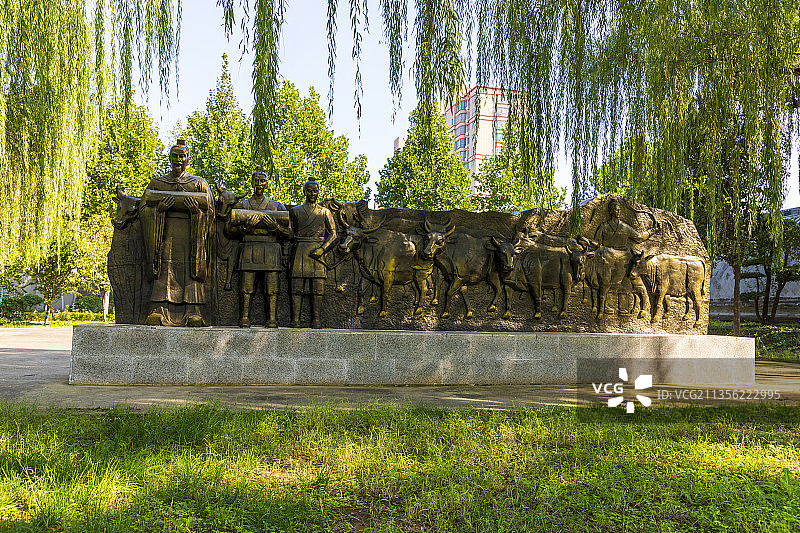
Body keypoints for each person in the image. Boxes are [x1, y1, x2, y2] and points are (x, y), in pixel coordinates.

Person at [139, 139, 214, 326]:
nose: (178, 160)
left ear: (188, 159)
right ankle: (159, 308)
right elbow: (143, 209)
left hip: (191, 233)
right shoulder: (158, 183)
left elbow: (211, 212)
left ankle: (193, 310)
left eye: (182, 156)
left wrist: (197, 212)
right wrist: (158, 210)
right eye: (174, 156)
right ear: (169, 158)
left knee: (191, 267)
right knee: (165, 267)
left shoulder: (198, 184)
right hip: (164, 232)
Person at [229, 169, 289, 327]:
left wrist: (275, 227)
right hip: (249, 246)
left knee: (272, 287)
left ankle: (272, 319)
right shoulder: (242, 205)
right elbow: (228, 230)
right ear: (252, 182)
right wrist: (245, 228)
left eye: (262, 181)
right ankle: (244, 317)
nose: (259, 184)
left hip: (271, 249)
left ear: (267, 183)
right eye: (256, 180)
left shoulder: (277, 207)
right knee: (246, 286)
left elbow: (289, 233)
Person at [289, 179, 337, 328]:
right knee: (296, 288)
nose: (312, 193)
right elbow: (289, 233)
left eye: (315, 191)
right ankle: (295, 320)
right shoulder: (295, 211)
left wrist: (323, 249)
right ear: (304, 191)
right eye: (309, 190)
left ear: (318, 192)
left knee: (318, 289)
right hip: (300, 251)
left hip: (318, 252)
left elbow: (333, 234)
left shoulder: (324, 212)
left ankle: (316, 320)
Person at [593, 198, 658, 250]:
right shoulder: (603, 226)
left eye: (619, 210)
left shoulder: (625, 227)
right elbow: (595, 243)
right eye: (616, 210)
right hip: (607, 256)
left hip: (622, 258)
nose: (618, 212)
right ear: (610, 211)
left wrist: (653, 230)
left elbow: (639, 237)